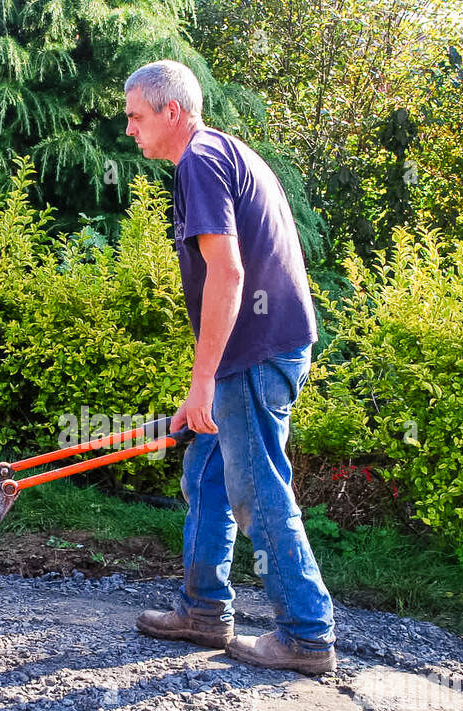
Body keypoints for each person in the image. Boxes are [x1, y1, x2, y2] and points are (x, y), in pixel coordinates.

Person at [124, 60, 337, 675]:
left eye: (137, 117)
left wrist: (203, 384)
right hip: (265, 346)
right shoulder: (218, 153)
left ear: (172, 111)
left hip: (256, 354)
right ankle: (204, 609)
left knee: (256, 488)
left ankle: (306, 633)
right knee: (209, 475)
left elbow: (229, 272)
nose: (131, 131)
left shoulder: (198, 161)